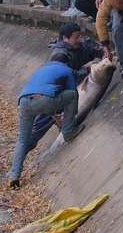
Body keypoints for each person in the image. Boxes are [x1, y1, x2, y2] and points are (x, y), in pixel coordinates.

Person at [7, 53, 85, 189]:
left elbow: (45, 101)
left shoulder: (42, 69)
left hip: (24, 101)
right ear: (66, 63)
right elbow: (72, 92)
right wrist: (70, 118)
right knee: (72, 95)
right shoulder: (66, 69)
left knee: (22, 140)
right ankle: (69, 132)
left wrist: (54, 116)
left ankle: (14, 176)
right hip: (43, 99)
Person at [28, 23, 106, 158]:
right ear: (65, 38)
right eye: (76, 37)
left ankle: (64, 135)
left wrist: (105, 53)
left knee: (68, 117)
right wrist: (86, 69)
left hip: (71, 92)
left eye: (80, 36)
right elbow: (59, 81)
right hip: (54, 95)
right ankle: (23, 153)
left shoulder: (83, 45)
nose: (80, 40)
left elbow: (100, 50)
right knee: (37, 130)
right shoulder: (59, 55)